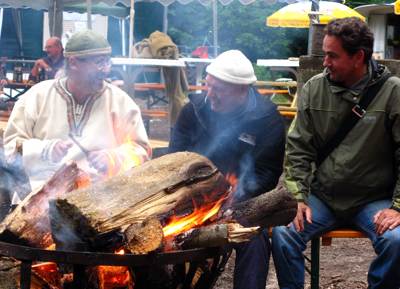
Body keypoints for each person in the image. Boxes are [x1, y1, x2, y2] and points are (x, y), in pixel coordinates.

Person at [272, 17, 400, 289]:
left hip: (373, 200)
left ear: (358, 57)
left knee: (396, 241)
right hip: (323, 197)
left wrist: (399, 207)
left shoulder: (392, 92)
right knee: (283, 232)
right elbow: (298, 148)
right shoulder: (314, 88)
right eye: (324, 54)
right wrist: (298, 197)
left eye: (332, 55)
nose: (325, 62)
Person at [169, 50, 286, 289]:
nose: (209, 94)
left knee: (255, 237)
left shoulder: (266, 118)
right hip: (191, 203)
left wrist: (235, 198)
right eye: (207, 85)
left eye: (218, 90)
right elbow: (174, 161)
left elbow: (267, 172)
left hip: (239, 204)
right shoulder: (192, 111)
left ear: (242, 90)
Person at [3, 30, 151, 195]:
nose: (106, 70)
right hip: (39, 196)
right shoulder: (37, 96)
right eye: (99, 62)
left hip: (102, 201)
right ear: (73, 63)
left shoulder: (120, 102)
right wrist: (45, 149)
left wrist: (113, 158)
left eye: (107, 62)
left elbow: (142, 151)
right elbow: (10, 147)